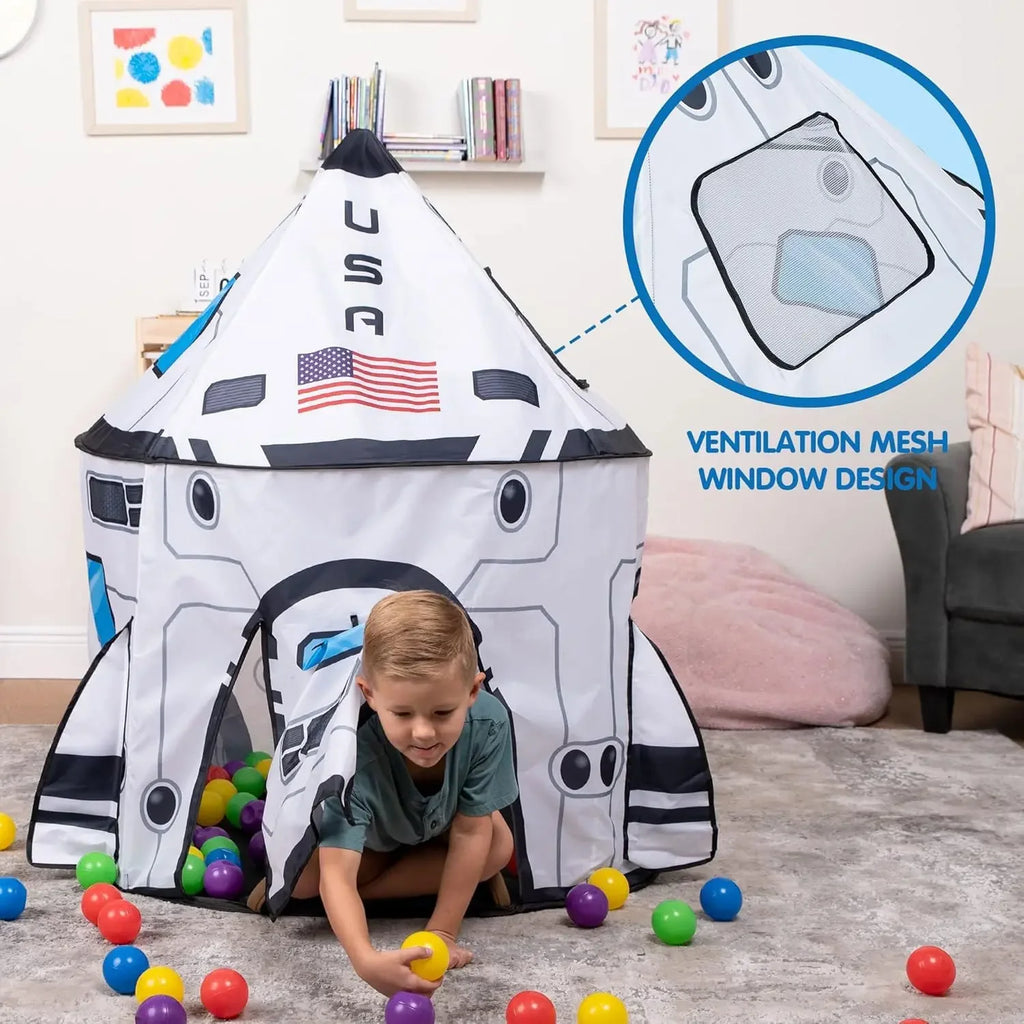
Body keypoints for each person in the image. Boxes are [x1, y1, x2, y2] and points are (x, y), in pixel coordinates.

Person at [295, 590, 518, 998]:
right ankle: (370, 890)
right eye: (402, 714)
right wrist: (364, 958)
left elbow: (471, 832)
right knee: (302, 881)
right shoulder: (352, 753)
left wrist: (443, 930)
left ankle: (369, 896)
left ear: (472, 692)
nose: (423, 733)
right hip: (374, 839)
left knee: (498, 846)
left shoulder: (488, 723)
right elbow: (337, 872)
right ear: (370, 694)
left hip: (443, 828)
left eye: (442, 713)